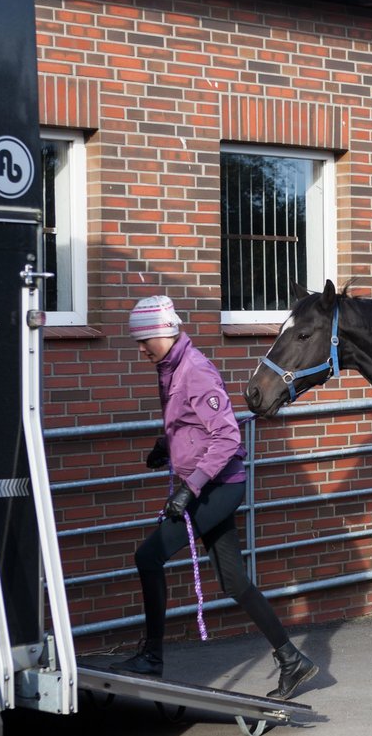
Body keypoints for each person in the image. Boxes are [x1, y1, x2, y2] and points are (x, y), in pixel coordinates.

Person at [114, 295, 318, 700]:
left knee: (148, 556)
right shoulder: (171, 367)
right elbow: (193, 425)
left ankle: (151, 656)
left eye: (144, 341)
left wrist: (188, 489)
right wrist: (166, 445)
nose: (140, 350)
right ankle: (292, 660)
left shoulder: (194, 371)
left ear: (164, 333)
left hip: (216, 487)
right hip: (210, 484)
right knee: (234, 581)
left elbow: (227, 436)